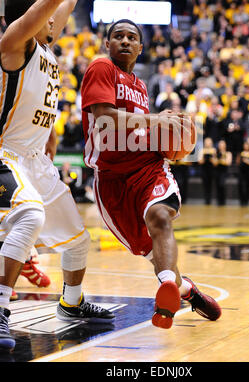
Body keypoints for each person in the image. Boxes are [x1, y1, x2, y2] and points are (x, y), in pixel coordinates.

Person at [0, 0, 114, 352]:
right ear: (30, 20)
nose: (57, 19)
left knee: (78, 243)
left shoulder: (45, 44)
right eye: (47, 17)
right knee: (30, 216)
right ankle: (1, 306)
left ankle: (72, 303)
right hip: (6, 155)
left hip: (37, 162)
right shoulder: (14, 45)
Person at [81, 18, 221, 330]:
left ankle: (167, 290)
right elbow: (103, 119)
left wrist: (169, 143)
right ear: (108, 44)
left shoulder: (141, 86)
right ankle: (186, 290)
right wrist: (156, 121)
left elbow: (146, 129)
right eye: (118, 36)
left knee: (160, 216)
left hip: (147, 167)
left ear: (141, 48)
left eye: (132, 37)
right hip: (111, 180)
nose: (125, 41)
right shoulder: (101, 68)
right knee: (148, 252)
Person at [212, 140, 232, 206]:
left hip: (224, 171)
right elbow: (214, 163)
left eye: (222, 144)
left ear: (225, 145)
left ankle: (223, 200)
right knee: (217, 185)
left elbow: (228, 162)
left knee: (222, 184)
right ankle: (218, 201)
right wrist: (218, 159)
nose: (221, 145)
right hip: (217, 171)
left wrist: (220, 159)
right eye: (220, 144)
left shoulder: (228, 153)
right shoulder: (216, 153)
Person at [198, 137, 216, 205]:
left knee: (210, 185)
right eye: (206, 142)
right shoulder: (202, 150)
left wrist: (212, 158)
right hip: (204, 170)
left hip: (211, 170)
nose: (208, 144)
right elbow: (200, 162)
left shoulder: (213, 150)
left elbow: (215, 162)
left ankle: (210, 199)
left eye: (209, 142)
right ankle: (206, 199)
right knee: (205, 185)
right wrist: (204, 157)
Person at [238, 139, 249, 206]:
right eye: (245, 144)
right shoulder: (241, 153)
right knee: (241, 186)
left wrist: (247, 161)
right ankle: (241, 200)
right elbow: (238, 162)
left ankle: (247, 200)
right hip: (241, 172)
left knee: (247, 186)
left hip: (248, 173)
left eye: (247, 145)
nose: (246, 146)